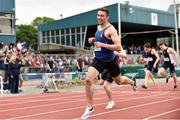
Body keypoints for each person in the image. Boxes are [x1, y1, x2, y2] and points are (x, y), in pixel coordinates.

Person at [81, 7, 136, 120]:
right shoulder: (98, 27)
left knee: (119, 81)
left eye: (102, 16)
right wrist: (92, 39)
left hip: (111, 61)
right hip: (99, 59)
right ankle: (89, 107)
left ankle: (131, 81)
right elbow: (100, 39)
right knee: (88, 80)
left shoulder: (111, 30)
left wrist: (102, 45)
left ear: (107, 17)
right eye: (98, 15)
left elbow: (118, 47)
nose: (99, 17)